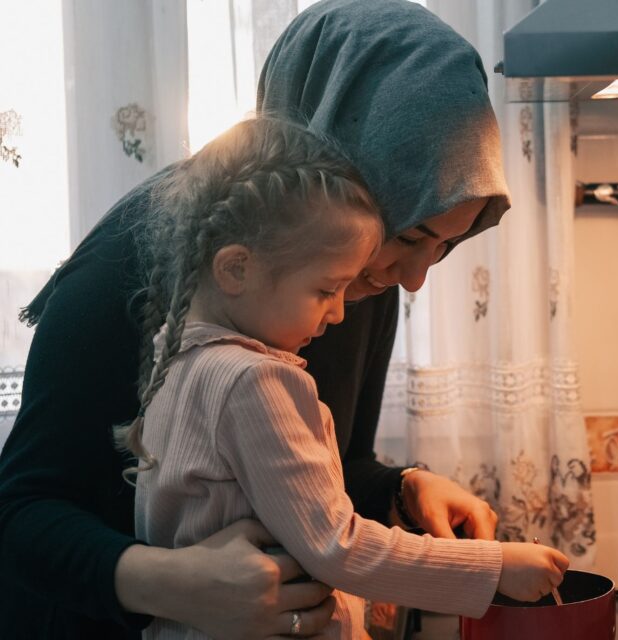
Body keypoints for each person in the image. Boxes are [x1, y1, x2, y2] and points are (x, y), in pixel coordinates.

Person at [0, 1, 528, 638]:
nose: (416, 277)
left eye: (446, 244)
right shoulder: (130, 263)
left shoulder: (355, 270)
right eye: (413, 234)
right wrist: (171, 583)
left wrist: (400, 488)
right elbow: (23, 514)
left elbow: (303, 467)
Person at [126, 117, 566, 639]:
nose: (338, 313)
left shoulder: (175, 359)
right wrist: (492, 567)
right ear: (236, 269)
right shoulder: (256, 382)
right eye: (325, 290)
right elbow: (337, 545)